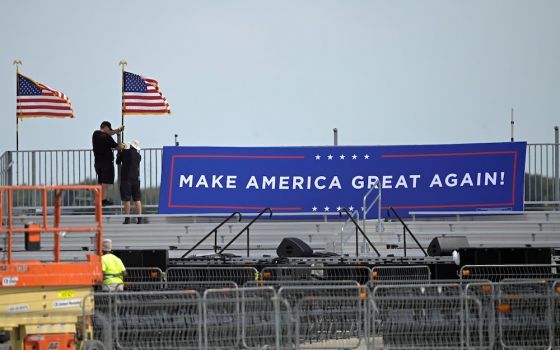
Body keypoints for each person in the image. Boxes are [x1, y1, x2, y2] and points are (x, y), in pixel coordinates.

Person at [92, 121, 124, 206]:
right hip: (106, 163)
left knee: (100, 182)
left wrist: (117, 130)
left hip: (97, 163)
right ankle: (103, 200)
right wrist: (122, 145)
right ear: (106, 127)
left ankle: (97, 199)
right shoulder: (107, 137)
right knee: (105, 183)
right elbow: (117, 147)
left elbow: (109, 133)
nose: (110, 131)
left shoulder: (95, 134)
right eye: (109, 129)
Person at [116, 139, 145, 224]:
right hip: (136, 179)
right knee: (137, 199)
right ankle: (139, 218)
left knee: (127, 199)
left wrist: (120, 152)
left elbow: (117, 162)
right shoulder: (139, 156)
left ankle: (127, 218)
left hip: (126, 179)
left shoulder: (125, 152)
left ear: (131, 146)